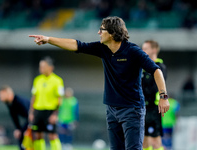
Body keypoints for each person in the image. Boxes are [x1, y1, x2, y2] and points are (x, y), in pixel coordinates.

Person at [29, 16, 170, 150]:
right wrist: (48, 39)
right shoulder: (103, 48)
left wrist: (163, 97)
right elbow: (76, 45)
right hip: (112, 110)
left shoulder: (133, 51)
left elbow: (156, 71)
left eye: (101, 29)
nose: (98, 32)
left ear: (113, 32)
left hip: (132, 110)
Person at [29, 56, 64, 150]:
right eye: (40, 66)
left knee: (52, 135)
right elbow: (34, 97)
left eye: (43, 66)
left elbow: (60, 98)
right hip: (38, 111)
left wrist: (55, 114)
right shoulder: (37, 80)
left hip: (50, 111)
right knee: (38, 135)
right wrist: (31, 113)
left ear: (51, 67)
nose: (41, 69)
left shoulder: (58, 81)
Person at [142, 40, 167, 150]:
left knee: (155, 141)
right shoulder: (142, 67)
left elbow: (155, 88)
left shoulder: (160, 67)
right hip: (142, 108)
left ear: (154, 50)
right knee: (144, 141)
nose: (143, 51)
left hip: (154, 109)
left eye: (146, 48)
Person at [0, 85, 30, 150]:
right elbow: (14, 117)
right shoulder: (10, 104)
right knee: (20, 135)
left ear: (8, 93)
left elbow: (30, 116)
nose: (0, 97)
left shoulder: (19, 102)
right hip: (29, 120)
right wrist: (18, 129)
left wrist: (27, 128)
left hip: (36, 119)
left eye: (2, 95)